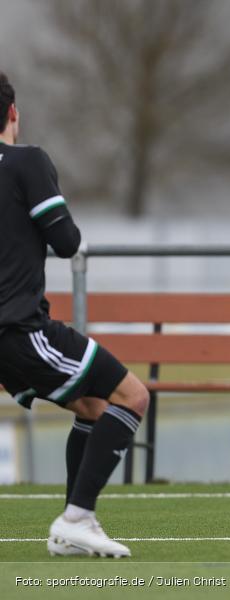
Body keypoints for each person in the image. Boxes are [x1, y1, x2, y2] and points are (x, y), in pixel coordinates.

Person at [0, 71, 149, 556]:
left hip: (9, 336)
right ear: (13, 114)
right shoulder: (27, 162)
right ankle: (77, 516)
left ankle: (72, 532)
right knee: (133, 396)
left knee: (92, 406)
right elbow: (66, 242)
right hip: (20, 329)